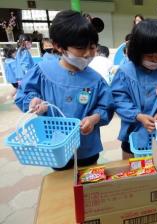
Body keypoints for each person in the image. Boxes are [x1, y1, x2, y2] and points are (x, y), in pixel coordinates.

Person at [15, 10, 114, 170]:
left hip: (87, 149)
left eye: (93, 47)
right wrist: (33, 101)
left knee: (86, 184)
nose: (88, 54)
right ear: (58, 46)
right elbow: (25, 94)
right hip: (56, 145)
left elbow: (106, 107)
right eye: (81, 48)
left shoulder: (96, 80)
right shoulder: (43, 71)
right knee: (61, 186)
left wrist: (94, 118)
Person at [111, 19, 157, 159]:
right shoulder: (125, 73)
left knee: (155, 167)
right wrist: (137, 115)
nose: (156, 61)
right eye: (150, 56)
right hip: (131, 134)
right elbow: (118, 99)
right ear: (137, 52)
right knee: (131, 169)